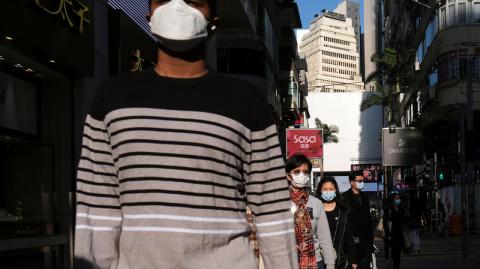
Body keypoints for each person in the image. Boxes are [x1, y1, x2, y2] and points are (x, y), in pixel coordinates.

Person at [74, 1, 298, 268]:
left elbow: (271, 205)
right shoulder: (112, 98)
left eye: (192, 1)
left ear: (213, 19)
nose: (177, 7)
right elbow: (97, 205)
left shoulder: (245, 101)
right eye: (164, 0)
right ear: (150, 15)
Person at [286, 155, 336, 269]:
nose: (301, 175)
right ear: (288, 176)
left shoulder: (316, 203)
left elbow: (324, 237)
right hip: (287, 261)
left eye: (305, 172)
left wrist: (330, 264)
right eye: (297, 172)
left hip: (315, 262)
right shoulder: (280, 202)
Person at [317, 177, 358, 269]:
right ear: (320, 191)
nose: (328, 192)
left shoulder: (343, 211)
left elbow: (348, 237)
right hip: (318, 259)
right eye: (325, 189)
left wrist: (353, 259)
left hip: (339, 259)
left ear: (336, 190)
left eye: (331, 189)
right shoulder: (315, 209)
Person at [341, 171, 374, 269]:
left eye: (362, 180)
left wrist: (371, 239)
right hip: (352, 244)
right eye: (359, 181)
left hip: (366, 244)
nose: (361, 183)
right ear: (351, 182)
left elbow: (368, 219)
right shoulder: (344, 198)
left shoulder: (365, 198)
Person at [383, 193, 407, 269]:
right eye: (396, 198)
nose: (398, 200)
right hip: (392, 233)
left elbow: (404, 219)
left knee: (398, 251)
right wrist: (388, 234)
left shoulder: (401, 208)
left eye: (399, 198)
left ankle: (397, 265)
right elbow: (385, 222)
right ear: (393, 200)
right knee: (394, 250)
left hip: (399, 232)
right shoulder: (388, 209)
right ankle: (395, 265)